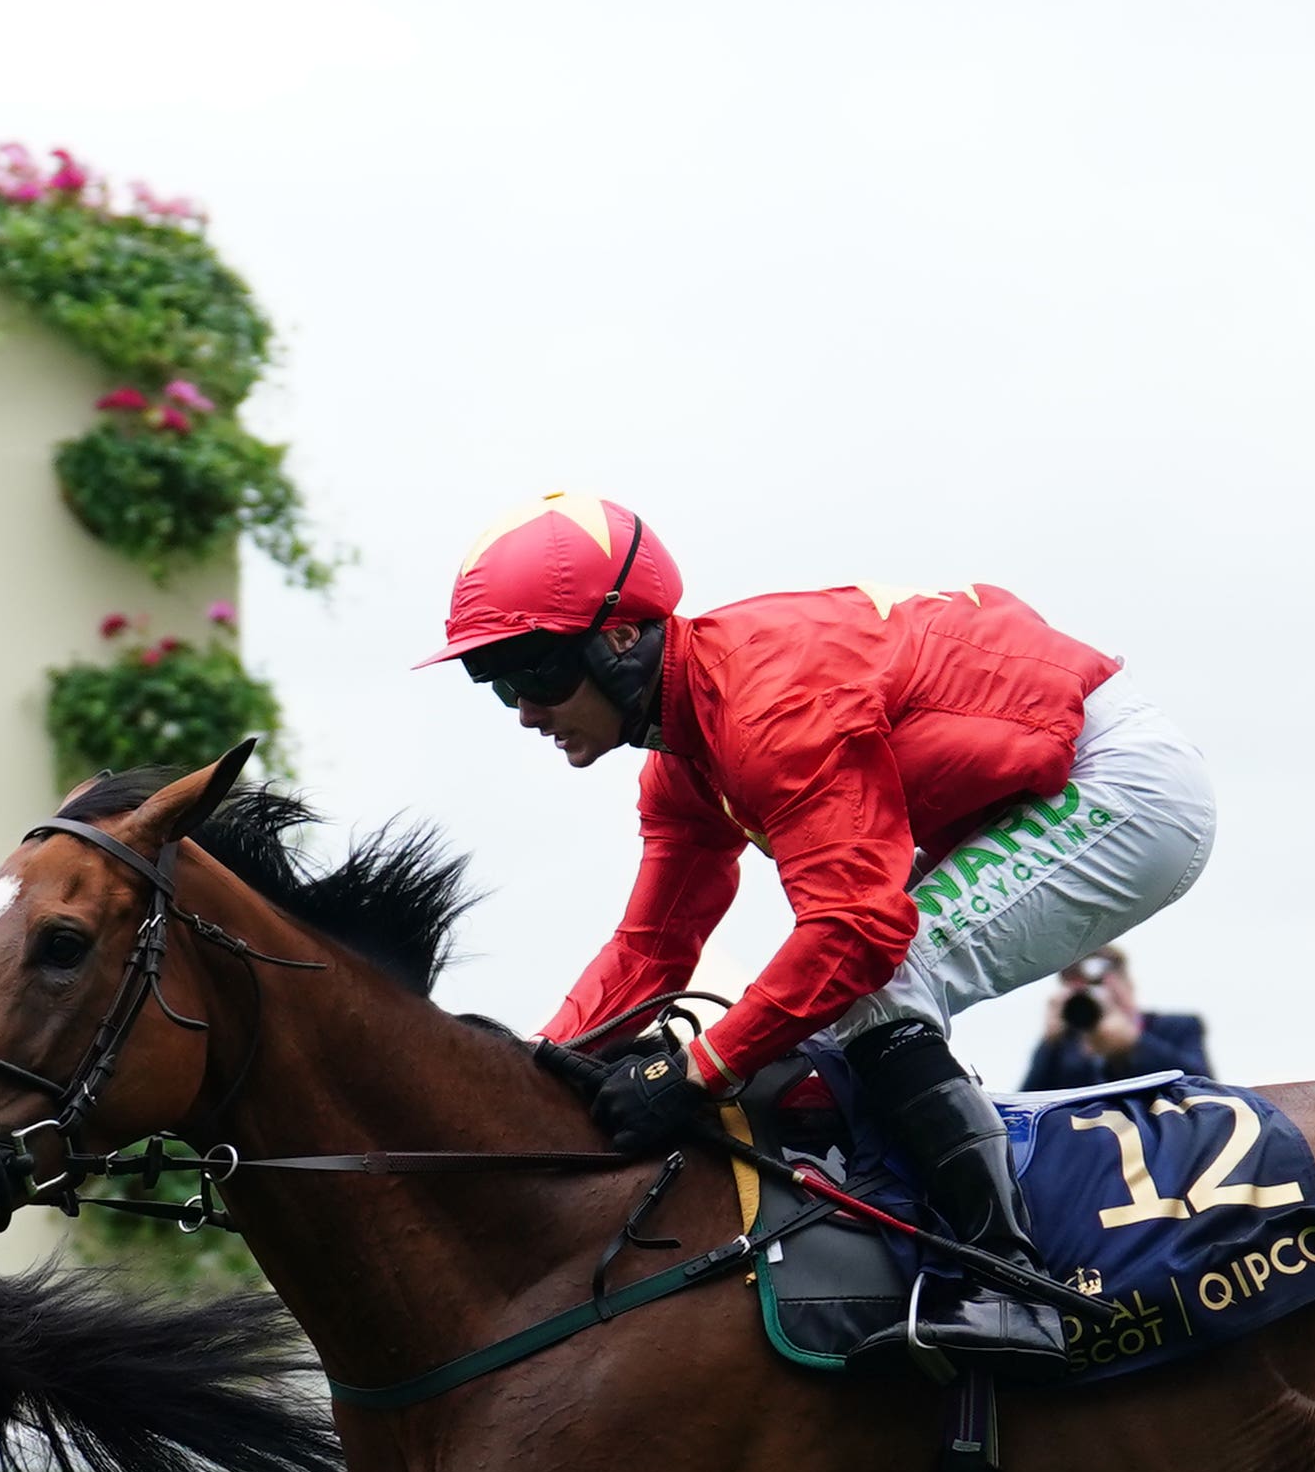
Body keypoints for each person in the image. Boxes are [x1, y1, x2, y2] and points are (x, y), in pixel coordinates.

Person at [430, 490, 1214, 1362]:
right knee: (849, 1003)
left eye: (534, 671)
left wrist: (699, 1066)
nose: (524, 709)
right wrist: (536, 1072)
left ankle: (1013, 1287)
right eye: (494, 682)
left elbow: (857, 931)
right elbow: (652, 950)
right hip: (1032, 791)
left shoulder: (766, 707)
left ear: (622, 638)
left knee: (882, 978)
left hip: (1119, 786)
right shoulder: (684, 759)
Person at [1017, 947, 1210, 1094]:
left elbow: (1205, 1090)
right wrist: (1051, 1044)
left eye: (1100, 985)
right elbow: (1029, 1103)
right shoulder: (1062, 1046)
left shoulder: (1177, 1027)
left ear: (1128, 984)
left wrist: (1133, 1044)